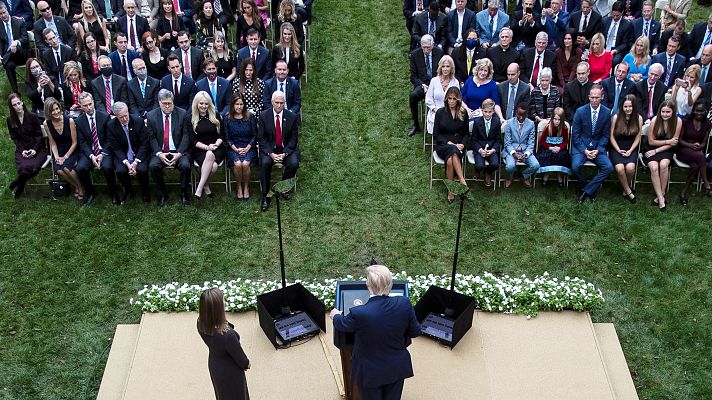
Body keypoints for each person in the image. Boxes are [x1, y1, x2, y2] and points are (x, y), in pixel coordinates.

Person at [330, 265, 421, 400]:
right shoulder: (404, 303)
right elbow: (415, 331)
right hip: (396, 368)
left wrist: (335, 315)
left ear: (368, 285)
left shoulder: (359, 313)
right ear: (390, 284)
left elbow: (342, 324)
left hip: (369, 373)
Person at [197, 287, 250, 400]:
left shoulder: (201, 323)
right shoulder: (228, 335)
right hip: (231, 373)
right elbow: (242, 359)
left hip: (215, 366)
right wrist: (247, 364)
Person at [146, 89, 191, 207]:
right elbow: (151, 138)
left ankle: (183, 192)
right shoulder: (151, 116)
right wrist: (159, 154)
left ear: (173, 102)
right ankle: (162, 194)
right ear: (159, 102)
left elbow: (186, 135)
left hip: (178, 150)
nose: (167, 106)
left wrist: (180, 153)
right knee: (153, 166)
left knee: (186, 166)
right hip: (161, 151)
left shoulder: (182, 114)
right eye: (164, 103)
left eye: (169, 103)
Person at [258, 91, 300, 212]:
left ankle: (283, 187)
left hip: (286, 149)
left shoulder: (291, 117)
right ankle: (265, 196)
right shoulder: (264, 116)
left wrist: (285, 153)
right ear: (272, 102)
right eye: (277, 102)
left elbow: (294, 139)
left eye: (282, 103)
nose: (279, 105)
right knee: (265, 164)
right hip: (270, 150)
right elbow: (261, 138)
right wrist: (271, 153)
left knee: (294, 163)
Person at [74, 92, 118, 206]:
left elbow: (110, 139)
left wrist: (102, 154)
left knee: (107, 167)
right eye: (85, 106)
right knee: (80, 168)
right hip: (90, 152)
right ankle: (90, 193)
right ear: (81, 106)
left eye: (90, 104)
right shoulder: (79, 121)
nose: (89, 108)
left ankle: (113, 193)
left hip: (104, 150)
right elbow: (82, 142)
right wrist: (91, 156)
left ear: (93, 102)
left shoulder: (104, 117)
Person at [571, 85, 613, 203]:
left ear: (602, 97)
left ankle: (586, 191)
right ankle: (589, 187)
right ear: (589, 97)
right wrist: (584, 150)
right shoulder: (580, 111)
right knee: (575, 167)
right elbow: (575, 134)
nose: (594, 100)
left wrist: (598, 149)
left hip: (597, 148)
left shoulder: (606, 112)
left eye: (597, 97)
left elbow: (605, 135)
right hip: (581, 147)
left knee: (608, 167)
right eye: (592, 97)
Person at [107, 101, 151, 203]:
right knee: (120, 171)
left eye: (126, 115)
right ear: (116, 116)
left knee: (142, 170)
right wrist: (127, 162)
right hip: (123, 155)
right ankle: (128, 191)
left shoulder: (138, 121)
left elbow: (144, 144)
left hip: (139, 154)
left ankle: (145, 192)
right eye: (121, 117)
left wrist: (135, 162)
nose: (125, 119)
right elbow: (116, 148)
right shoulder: (111, 126)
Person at [6, 93, 47, 199]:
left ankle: (18, 183)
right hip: (22, 149)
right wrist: (22, 150)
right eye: (14, 105)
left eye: (18, 103)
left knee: (33, 168)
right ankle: (21, 183)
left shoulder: (32, 116)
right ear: (12, 107)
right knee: (24, 167)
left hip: (37, 148)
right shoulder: (10, 120)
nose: (18, 106)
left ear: (22, 102)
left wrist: (34, 150)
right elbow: (15, 138)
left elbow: (39, 135)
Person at [643, 99, 681, 210]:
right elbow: (651, 142)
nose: (665, 114)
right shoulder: (655, 120)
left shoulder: (678, 121)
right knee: (654, 167)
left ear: (673, 112)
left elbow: (674, 143)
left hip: (667, 149)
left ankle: (660, 195)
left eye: (668, 112)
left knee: (664, 165)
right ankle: (661, 198)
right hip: (652, 148)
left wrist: (659, 150)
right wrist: (667, 141)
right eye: (663, 112)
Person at [433, 86, 468, 202]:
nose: (452, 101)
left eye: (454, 99)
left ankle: (451, 190)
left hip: (458, 145)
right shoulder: (440, 113)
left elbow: (466, 134)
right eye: (450, 99)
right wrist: (448, 142)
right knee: (452, 151)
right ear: (446, 99)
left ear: (458, 100)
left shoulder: (463, 113)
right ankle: (462, 181)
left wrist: (462, 144)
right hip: (443, 145)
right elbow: (436, 134)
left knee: (450, 161)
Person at [44, 97, 84, 200]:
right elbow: (52, 142)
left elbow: (75, 142)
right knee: (60, 171)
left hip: (72, 149)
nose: (56, 112)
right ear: (48, 112)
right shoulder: (46, 124)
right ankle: (77, 186)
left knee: (67, 168)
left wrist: (65, 157)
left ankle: (80, 187)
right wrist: (57, 157)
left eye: (57, 108)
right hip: (59, 150)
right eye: (52, 110)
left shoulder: (69, 121)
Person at [188, 91, 224, 199]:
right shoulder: (191, 118)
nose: (204, 106)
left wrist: (215, 145)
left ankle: (199, 187)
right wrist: (207, 147)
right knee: (212, 166)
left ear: (209, 104)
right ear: (196, 104)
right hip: (199, 148)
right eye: (201, 103)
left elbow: (222, 135)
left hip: (217, 147)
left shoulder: (215, 116)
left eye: (206, 104)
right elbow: (193, 140)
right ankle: (205, 186)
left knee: (211, 157)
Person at [677, 99, 712, 203]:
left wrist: (699, 146)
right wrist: (690, 145)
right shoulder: (686, 121)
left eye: (701, 111)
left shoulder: (707, 123)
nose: (699, 113)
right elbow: (679, 140)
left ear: (705, 111)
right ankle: (706, 184)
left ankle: (683, 192)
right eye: (697, 110)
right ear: (693, 110)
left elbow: (704, 142)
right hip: (683, 150)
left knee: (695, 166)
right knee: (701, 156)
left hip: (696, 151)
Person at [608, 94, 642, 202]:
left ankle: (624, 187)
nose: (628, 109)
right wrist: (618, 149)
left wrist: (631, 150)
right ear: (622, 107)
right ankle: (628, 190)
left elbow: (638, 138)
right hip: (617, 147)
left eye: (630, 106)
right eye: (625, 106)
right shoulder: (616, 117)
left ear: (634, 106)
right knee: (620, 168)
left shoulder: (639, 118)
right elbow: (611, 137)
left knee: (630, 168)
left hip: (631, 147)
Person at [225, 93, 257, 200]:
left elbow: (254, 135)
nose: (239, 107)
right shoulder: (227, 118)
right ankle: (239, 186)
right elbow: (227, 138)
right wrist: (236, 149)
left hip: (248, 146)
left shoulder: (250, 117)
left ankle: (246, 186)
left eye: (241, 104)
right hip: (234, 147)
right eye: (237, 104)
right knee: (238, 164)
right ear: (232, 105)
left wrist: (247, 148)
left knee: (245, 163)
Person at [503, 102, 539, 188]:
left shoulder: (531, 124)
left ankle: (523, 175)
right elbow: (507, 143)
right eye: (519, 114)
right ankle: (510, 177)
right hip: (511, 151)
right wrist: (514, 153)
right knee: (510, 166)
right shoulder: (509, 123)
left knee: (536, 165)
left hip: (525, 150)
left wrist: (526, 154)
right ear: (516, 112)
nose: (521, 117)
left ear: (527, 114)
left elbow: (531, 143)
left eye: (524, 115)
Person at [424, 55, 459, 136]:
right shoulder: (434, 81)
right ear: (440, 67)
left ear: (451, 68)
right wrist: (435, 110)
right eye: (443, 66)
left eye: (447, 66)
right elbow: (428, 99)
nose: (445, 69)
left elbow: (457, 100)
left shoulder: (455, 82)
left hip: (451, 112)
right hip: (436, 112)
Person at [470, 98, 501, 186]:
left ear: (493, 111)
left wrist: (492, 150)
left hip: (491, 149)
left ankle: (487, 173)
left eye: (490, 112)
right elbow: (473, 140)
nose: (487, 114)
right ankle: (477, 170)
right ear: (482, 110)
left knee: (495, 164)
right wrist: (480, 150)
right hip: (480, 148)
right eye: (485, 111)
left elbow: (498, 140)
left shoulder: (496, 122)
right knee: (480, 165)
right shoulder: (477, 122)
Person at [536, 106, 570, 186]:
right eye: (555, 119)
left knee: (561, 156)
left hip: (559, 149)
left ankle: (559, 175)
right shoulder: (548, 127)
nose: (557, 121)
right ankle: (546, 174)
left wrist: (560, 147)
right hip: (548, 148)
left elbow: (565, 142)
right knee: (548, 157)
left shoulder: (564, 129)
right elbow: (542, 141)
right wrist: (550, 148)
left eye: (559, 120)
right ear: (552, 119)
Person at [0, 2, 29, 95]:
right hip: (10, 57)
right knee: (9, 65)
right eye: (0, 14)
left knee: (15, 47)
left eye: (4, 12)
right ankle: (16, 92)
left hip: (22, 54)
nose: (3, 15)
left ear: (7, 11)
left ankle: (3, 60)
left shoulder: (19, 22)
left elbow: (25, 39)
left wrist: (16, 42)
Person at [601, 1, 634, 68]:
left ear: (622, 12)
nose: (615, 17)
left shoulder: (626, 25)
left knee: (615, 61)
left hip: (616, 49)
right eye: (613, 15)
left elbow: (625, 43)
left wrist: (616, 50)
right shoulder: (605, 21)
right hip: (603, 47)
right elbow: (601, 36)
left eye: (617, 15)